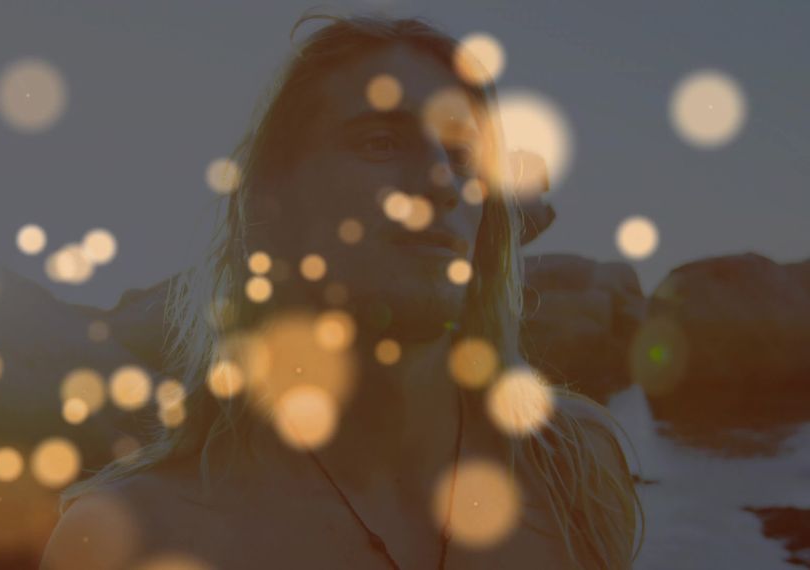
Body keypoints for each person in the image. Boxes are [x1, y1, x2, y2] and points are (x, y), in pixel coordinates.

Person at [42, 11, 641, 570]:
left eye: (462, 156)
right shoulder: (135, 537)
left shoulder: (574, 471)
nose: (441, 181)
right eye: (380, 142)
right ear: (275, 204)